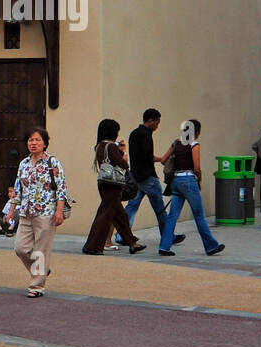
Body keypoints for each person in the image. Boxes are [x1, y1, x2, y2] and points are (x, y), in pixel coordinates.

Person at [7, 126, 69, 296]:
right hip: (26, 212)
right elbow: (18, 189)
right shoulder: (24, 163)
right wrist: (11, 211)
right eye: (30, 140)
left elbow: (61, 189)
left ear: (44, 143)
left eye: (37, 140)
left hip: (45, 213)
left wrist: (59, 211)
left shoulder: (53, 163)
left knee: (41, 250)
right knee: (20, 248)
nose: (33, 143)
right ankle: (42, 271)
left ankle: (36, 286)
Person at [113, 109, 185, 248]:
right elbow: (148, 157)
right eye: (157, 123)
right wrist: (163, 158)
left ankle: (122, 235)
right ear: (150, 121)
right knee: (160, 209)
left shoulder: (134, 133)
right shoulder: (145, 135)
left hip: (136, 177)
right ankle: (168, 235)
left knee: (132, 207)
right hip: (148, 178)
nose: (157, 126)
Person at [157, 119, 226, 256]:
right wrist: (199, 181)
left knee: (172, 216)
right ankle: (211, 246)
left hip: (175, 181)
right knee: (199, 215)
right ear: (197, 132)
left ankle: (164, 247)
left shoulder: (176, 143)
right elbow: (197, 168)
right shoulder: (194, 144)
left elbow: (164, 160)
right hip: (188, 180)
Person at [82, 119, 145, 255]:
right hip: (113, 185)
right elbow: (122, 164)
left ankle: (132, 243)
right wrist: (123, 154)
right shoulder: (110, 146)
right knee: (104, 216)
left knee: (120, 216)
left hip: (105, 183)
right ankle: (92, 246)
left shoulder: (99, 145)